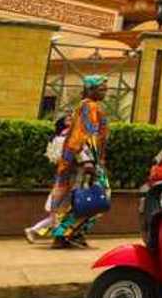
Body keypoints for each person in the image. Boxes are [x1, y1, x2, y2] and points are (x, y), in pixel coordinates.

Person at [45, 76, 111, 248]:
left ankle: (70, 234)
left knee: (84, 198)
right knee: (96, 197)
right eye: (101, 89)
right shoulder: (89, 106)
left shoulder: (86, 106)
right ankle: (66, 234)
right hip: (86, 161)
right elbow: (84, 135)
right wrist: (87, 160)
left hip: (83, 160)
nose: (105, 92)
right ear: (90, 90)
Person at [24, 114, 71, 243]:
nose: (72, 120)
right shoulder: (65, 137)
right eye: (68, 119)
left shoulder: (57, 138)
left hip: (62, 176)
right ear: (63, 123)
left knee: (56, 216)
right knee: (57, 215)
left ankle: (33, 230)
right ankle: (34, 230)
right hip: (64, 176)